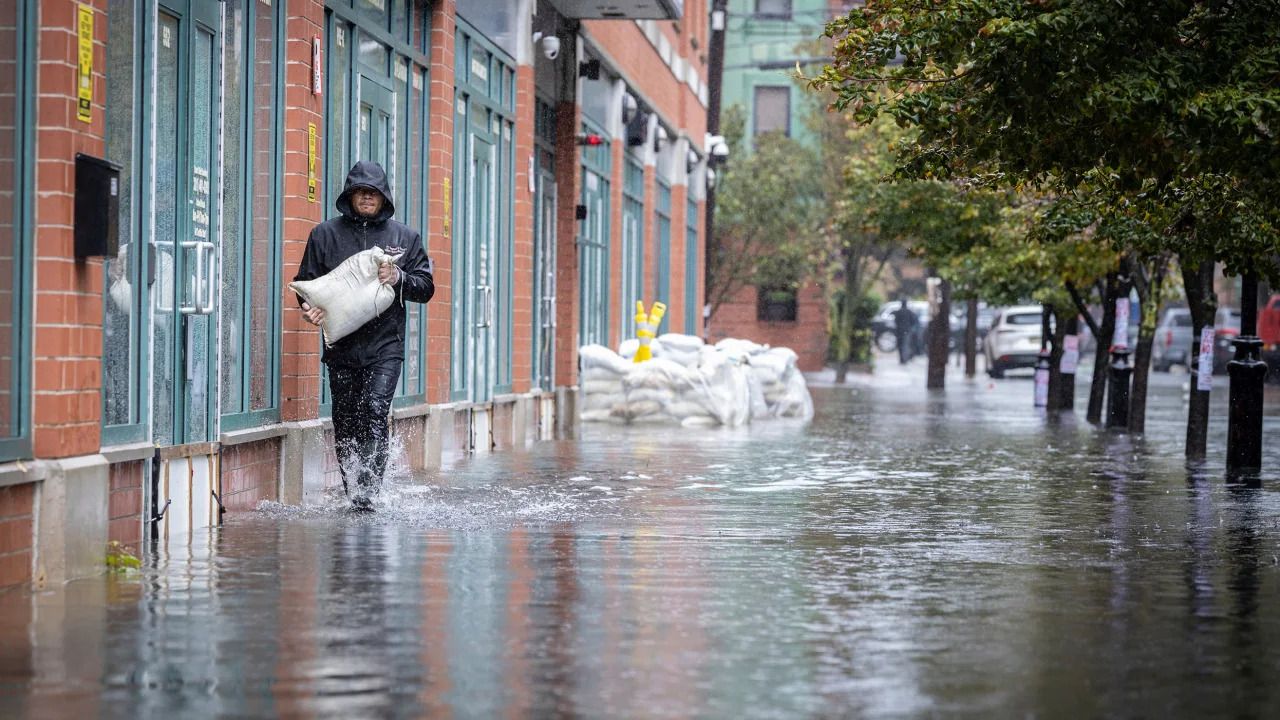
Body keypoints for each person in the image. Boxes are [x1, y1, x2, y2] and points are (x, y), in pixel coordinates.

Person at [294, 161, 435, 510]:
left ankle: (369, 493)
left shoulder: (404, 238)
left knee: (373, 410)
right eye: (360, 192)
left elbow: (426, 288)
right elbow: (307, 285)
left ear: (383, 196)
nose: (367, 198)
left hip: (385, 346)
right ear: (349, 195)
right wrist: (308, 309)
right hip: (341, 347)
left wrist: (399, 277)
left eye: (373, 192)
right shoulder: (324, 235)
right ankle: (352, 491)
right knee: (345, 418)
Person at [892, 299, 919, 365]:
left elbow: (895, 321)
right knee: (905, 345)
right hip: (906, 331)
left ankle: (902, 359)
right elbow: (914, 321)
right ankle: (904, 359)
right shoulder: (909, 312)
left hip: (899, 331)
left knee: (900, 345)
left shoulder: (899, 312)